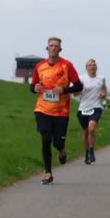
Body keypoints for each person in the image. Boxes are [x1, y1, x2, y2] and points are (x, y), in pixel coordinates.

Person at [30, 37, 83, 184]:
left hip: (61, 112)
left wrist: (64, 90)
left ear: (60, 49)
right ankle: (48, 172)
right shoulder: (40, 66)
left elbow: (79, 86)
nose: (53, 48)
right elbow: (32, 86)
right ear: (47, 48)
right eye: (51, 46)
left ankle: (61, 150)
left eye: (56, 46)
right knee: (45, 138)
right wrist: (35, 88)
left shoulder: (67, 65)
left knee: (58, 143)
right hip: (42, 109)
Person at [73, 58, 106, 164]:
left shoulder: (101, 78)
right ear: (87, 68)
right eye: (90, 65)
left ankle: (91, 151)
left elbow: (104, 89)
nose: (93, 66)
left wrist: (103, 94)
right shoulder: (81, 78)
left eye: (94, 65)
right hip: (83, 108)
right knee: (86, 132)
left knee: (91, 129)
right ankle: (86, 153)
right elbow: (75, 93)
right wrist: (79, 90)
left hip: (96, 107)